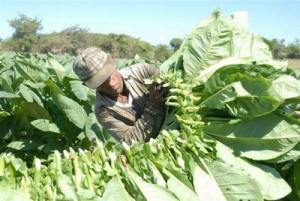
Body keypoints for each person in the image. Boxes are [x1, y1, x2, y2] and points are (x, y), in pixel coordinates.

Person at [73, 47, 168, 145]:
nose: (110, 84)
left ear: (113, 60)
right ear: (87, 85)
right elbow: (131, 141)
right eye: (100, 83)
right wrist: (153, 106)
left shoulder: (143, 71)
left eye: (109, 75)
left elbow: (173, 83)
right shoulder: (103, 111)